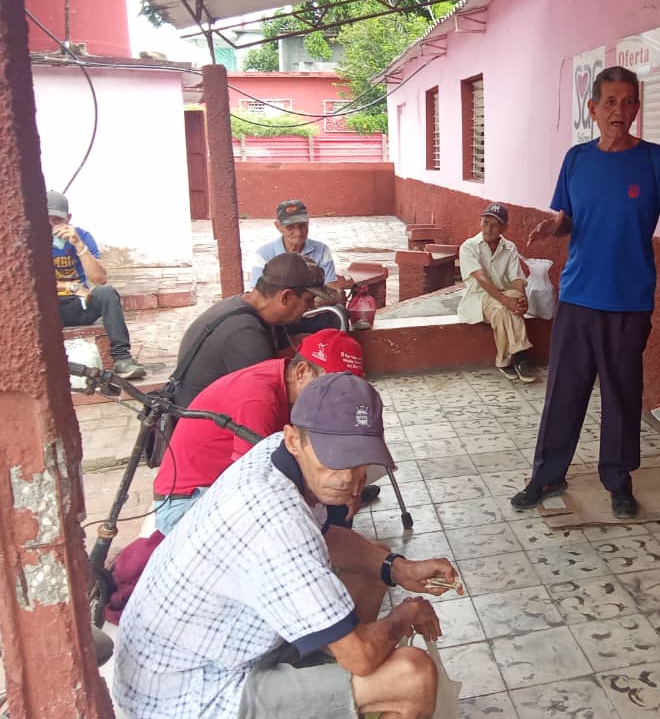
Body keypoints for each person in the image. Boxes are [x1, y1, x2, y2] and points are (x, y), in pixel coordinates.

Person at [114, 372, 458, 719]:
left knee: (374, 565)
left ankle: (333, 686)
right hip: (191, 697)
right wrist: (407, 615)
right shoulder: (275, 522)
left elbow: (326, 535)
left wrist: (398, 569)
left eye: (359, 460)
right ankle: (349, 689)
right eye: (335, 457)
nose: (348, 480)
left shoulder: (276, 456)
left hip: (220, 654)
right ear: (293, 439)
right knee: (412, 676)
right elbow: (361, 657)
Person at [510, 66, 660, 519]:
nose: (620, 110)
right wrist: (558, 226)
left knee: (621, 394)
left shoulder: (657, 161)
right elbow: (570, 217)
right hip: (576, 296)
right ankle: (547, 474)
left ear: (637, 108)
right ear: (592, 109)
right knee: (564, 392)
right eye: (610, 102)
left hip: (629, 301)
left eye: (628, 101)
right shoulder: (576, 159)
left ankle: (618, 479)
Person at [153, 329, 367, 535]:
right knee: (309, 515)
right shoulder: (257, 398)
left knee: (333, 500)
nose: (339, 398)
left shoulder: (292, 383)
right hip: (186, 505)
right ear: (302, 371)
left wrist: (354, 477)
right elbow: (258, 482)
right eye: (332, 387)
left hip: (220, 489)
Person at [172, 251, 333, 408]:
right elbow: (268, 400)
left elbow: (287, 354)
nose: (312, 306)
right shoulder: (245, 334)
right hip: (202, 424)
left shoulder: (260, 311)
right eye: (309, 300)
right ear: (285, 297)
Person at [47, 189, 146, 379]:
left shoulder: (82, 236)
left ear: (68, 218)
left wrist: (78, 245)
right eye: (46, 219)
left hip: (77, 306)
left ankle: (122, 359)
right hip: (47, 310)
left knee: (106, 292)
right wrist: (71, 287)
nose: (51, 225)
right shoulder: (31, 240)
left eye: (57, 220)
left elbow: (99, 279)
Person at [457, 202, 537, 382]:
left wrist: (521, 300)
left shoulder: (509, 247)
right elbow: (482, 279)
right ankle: (521, 356)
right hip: (478, 298)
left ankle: (503, 361)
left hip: (503, 297)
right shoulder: (469, 247)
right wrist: (507, 300)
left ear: (504, 228)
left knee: (504, 307)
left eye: (494, 225)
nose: (488, 229)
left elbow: (517, 279)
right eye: (485, 223)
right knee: (504, 304)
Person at [250, 199, 353, 334]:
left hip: (314, 311)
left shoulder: (321, 250)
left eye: (302, 226)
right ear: (278, 226)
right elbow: (261, 296)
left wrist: (306, 303)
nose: (298, 233)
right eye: (290, 227)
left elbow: (333, 292)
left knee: (339, 313)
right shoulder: (264, 254)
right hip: (282, 314)